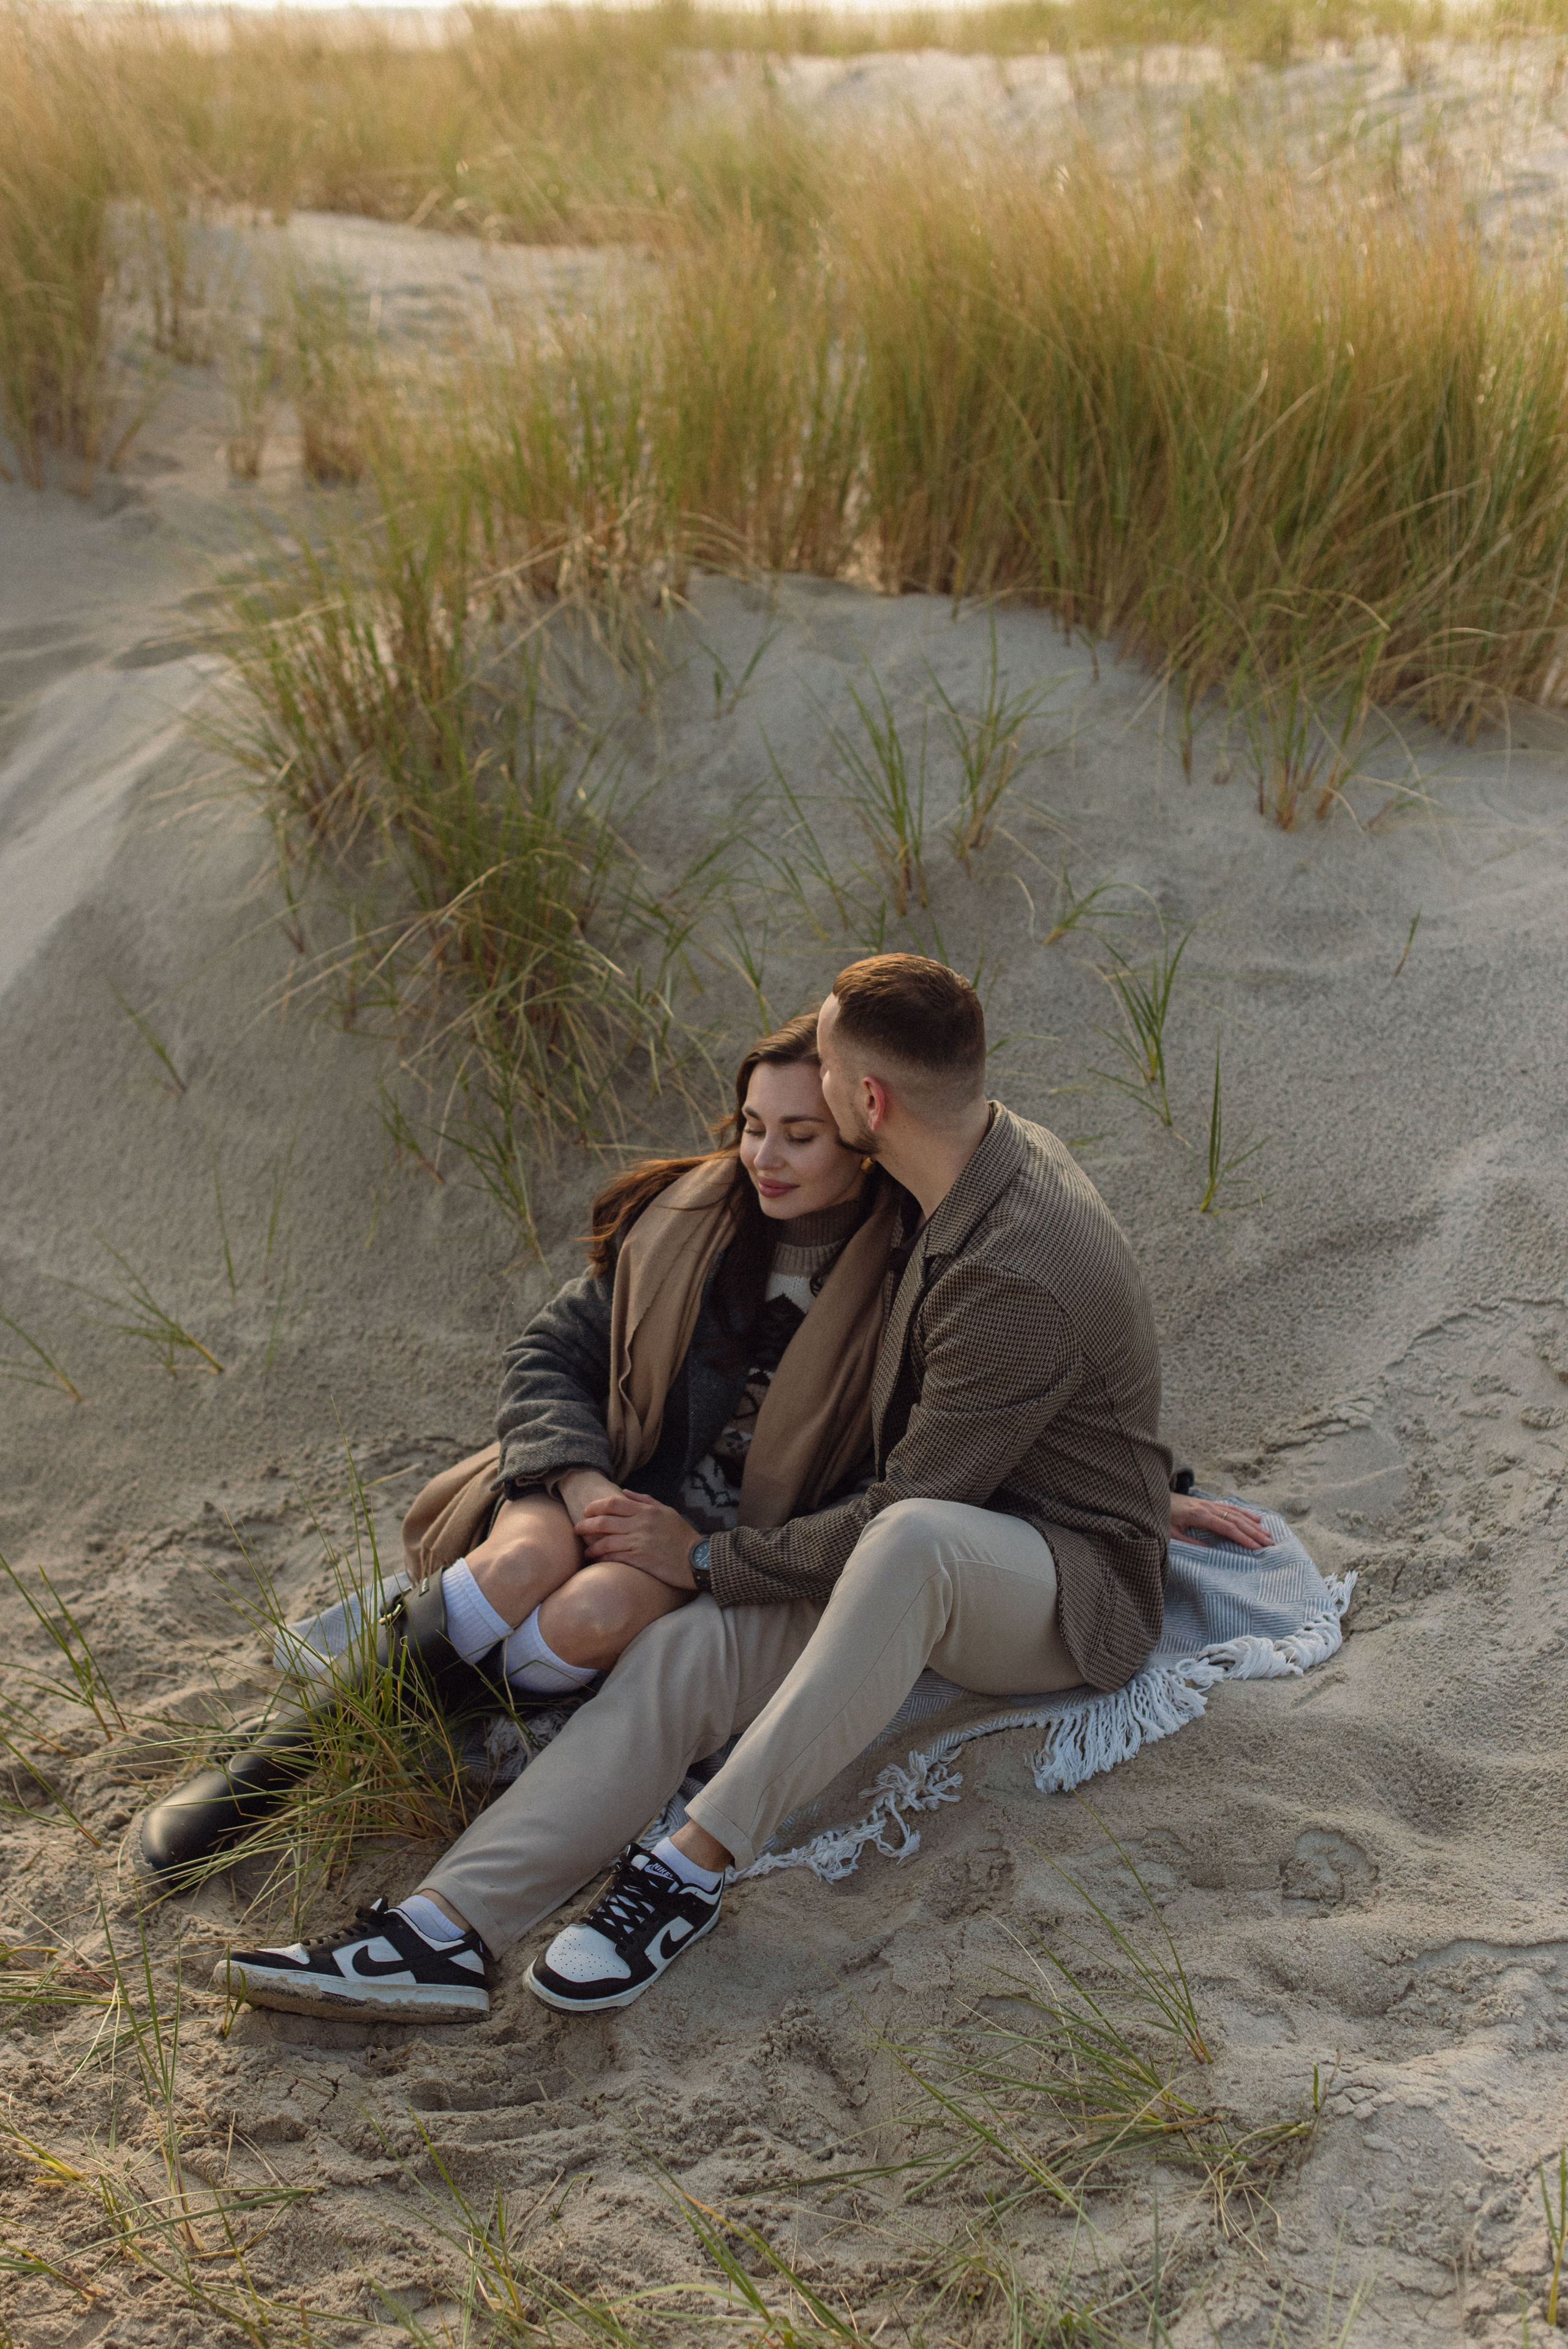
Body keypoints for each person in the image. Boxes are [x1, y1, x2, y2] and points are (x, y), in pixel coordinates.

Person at [214, 954, 1238, 2027]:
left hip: (1057, 1579)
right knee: (682, 1650)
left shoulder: (1009, 1264)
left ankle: (688, 1867)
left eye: (826, 1073)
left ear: (869, 1102)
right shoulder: (965, 1151)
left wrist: (703, 1558)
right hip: (950, 1525)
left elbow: (909, 1504)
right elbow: (1031, 1388)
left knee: (904, 1542)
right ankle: (444, 1930)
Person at [136, 1012, 902, 1888]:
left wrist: (702, 1556)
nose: (764, 1157)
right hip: (597, 1471)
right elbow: (546, 1355)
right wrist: (575, 1482)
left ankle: (434, 1717)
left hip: (723, 1533)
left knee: (594, 1613)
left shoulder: (904, 1279)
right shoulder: (686, 1220)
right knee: (522, 1562)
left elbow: (882, 1490)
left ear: (860, 1137)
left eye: (800, 1136)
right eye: (753, 1128)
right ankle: (280, 1759)